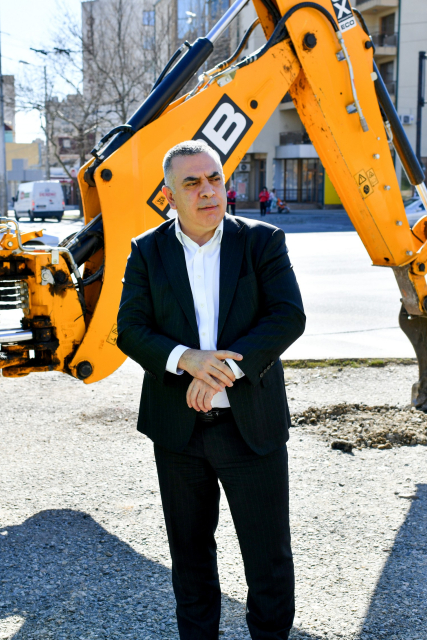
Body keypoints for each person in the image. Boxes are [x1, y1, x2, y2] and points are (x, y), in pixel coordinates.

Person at [117, 140, 305, 640]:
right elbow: (130, 329)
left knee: (267, 560)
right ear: (169, 196)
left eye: (215, 179)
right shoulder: (147, 250)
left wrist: (220, 372)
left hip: (252, 431)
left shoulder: (262, 241)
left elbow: (287, 317)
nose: (208, 192)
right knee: (190, 558)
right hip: (178, 435)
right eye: (192, 183)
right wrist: (188, 361)